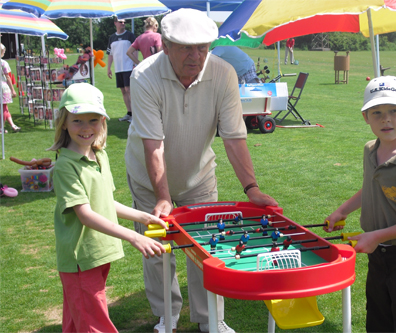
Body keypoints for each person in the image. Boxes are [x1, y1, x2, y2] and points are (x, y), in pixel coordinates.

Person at [124, 8, 278, 333]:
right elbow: (154, 145)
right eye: (186, 48)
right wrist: (163, 197)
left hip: (200, 178)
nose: (196, 56)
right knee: (157, 250)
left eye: (202, 47)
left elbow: (234, 138)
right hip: (148, 180)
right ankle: (167, 316)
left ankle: (212, 320)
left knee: (208, 248)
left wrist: (252, 189)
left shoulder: (223, 74)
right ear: (165, 45)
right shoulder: (144, 76)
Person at [47, 83, 168, 333]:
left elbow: (105, 202)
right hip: (81, 259)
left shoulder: (99, 155)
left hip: (99, 252)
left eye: (93, 120)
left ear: (103, 121)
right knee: (93, 321)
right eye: (77, 120)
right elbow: (86, 214)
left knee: (78, 315)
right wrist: (133, 236)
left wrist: (144, 217)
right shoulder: (65, 167)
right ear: (64, 122)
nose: (86, 127)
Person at [324, 76, 396, 332]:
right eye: (376, 112)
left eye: (394, 111)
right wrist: (342, 211)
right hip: (379, 257)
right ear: (366, 117)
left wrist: (376, 235)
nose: (385, 119)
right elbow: (372, 188)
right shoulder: (370, 149)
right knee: (379, 322)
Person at [107, 17, 136, 123]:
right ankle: (129, 113)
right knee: (123, 91)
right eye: (120, 22)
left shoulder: (130, 35)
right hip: (118, 68)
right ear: (115, 23)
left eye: (124, 22)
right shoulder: (112, 38)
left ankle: (135, 115)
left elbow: (135, 49)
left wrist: (134, 63)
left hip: (128, 67)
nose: (123, 24)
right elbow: (110, 54)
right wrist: (109, 67)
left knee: (129, 90)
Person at [1, 43, 21, 133]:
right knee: (4, 108)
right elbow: (8, 77)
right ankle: (1, 128)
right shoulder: (3, 63)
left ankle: (12, 125)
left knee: (5, 108)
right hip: (3, 87)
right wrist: (13, 90)